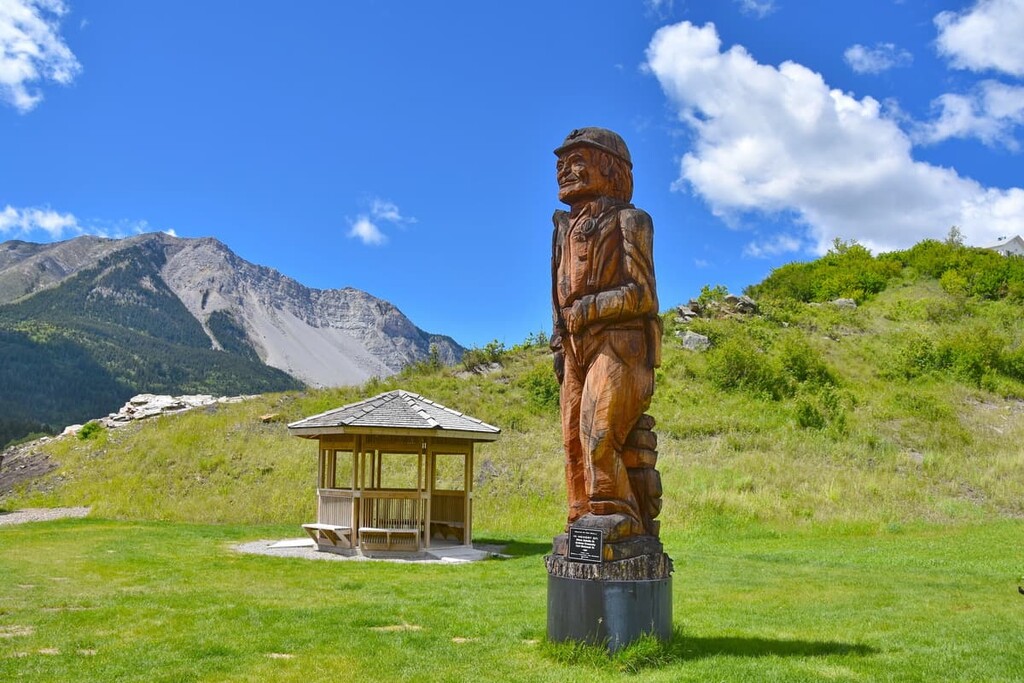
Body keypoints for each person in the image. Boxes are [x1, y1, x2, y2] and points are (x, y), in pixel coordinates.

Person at [550, 127, 661, 542]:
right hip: (574, 347)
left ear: (610, 168)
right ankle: (582, 518)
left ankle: (620, 516)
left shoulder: (631, 221)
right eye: (561, 164)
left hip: (620, 341)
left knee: (599, 435)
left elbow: (644, 294)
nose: (565, 171)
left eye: (577, 161)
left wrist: (591, 308)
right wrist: (558, 341)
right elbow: (558, 293)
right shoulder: (563, 228)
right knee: (571, 444)